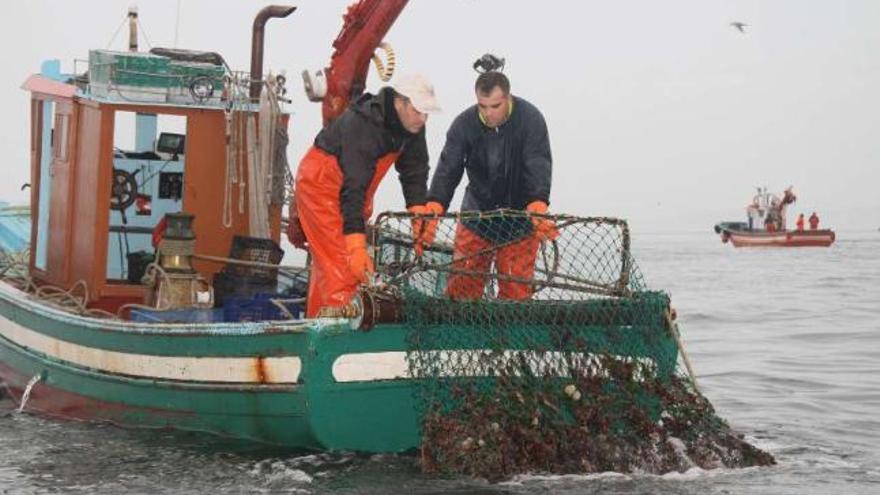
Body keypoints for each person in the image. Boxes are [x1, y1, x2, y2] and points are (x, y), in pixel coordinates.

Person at [291, 74, 441, 317]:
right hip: (320, 186)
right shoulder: (364, 124)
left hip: (355, 191)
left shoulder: (413, 125)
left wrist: (418, 213)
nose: (422, 119)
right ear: (399, 103)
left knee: (329, 265)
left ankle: (315, 327)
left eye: (426, 113)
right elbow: (354, 188)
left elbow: (415, 170)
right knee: (344, 265)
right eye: (417, 111)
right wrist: (355, 245)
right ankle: (340, 339)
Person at [420, 67, 553, 301]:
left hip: (520, 221)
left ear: (508, 98)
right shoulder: (463, 125)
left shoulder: (530, 119)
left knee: (516, 293)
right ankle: (459, 333)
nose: (489, 113)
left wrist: (538, 200)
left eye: (495, 106)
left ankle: (511, 335)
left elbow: (537, 161)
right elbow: (448, 167)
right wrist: (435, 204)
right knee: (462, 289)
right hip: (477, 218)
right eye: (482, 106)